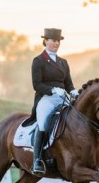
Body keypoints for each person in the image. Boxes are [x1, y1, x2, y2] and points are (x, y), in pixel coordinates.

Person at [29, 28, 80, 174]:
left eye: (58, 41)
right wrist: (52, 90)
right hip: (46, 98)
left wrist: (73, 91)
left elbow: (68, 83)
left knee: (78, 120)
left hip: (62, 98)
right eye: (53, 40)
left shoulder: (63, 62)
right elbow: (36, 84)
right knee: (43, 122)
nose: (56, 43)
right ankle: (37, 160)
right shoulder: (38, 61)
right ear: (45, 41)